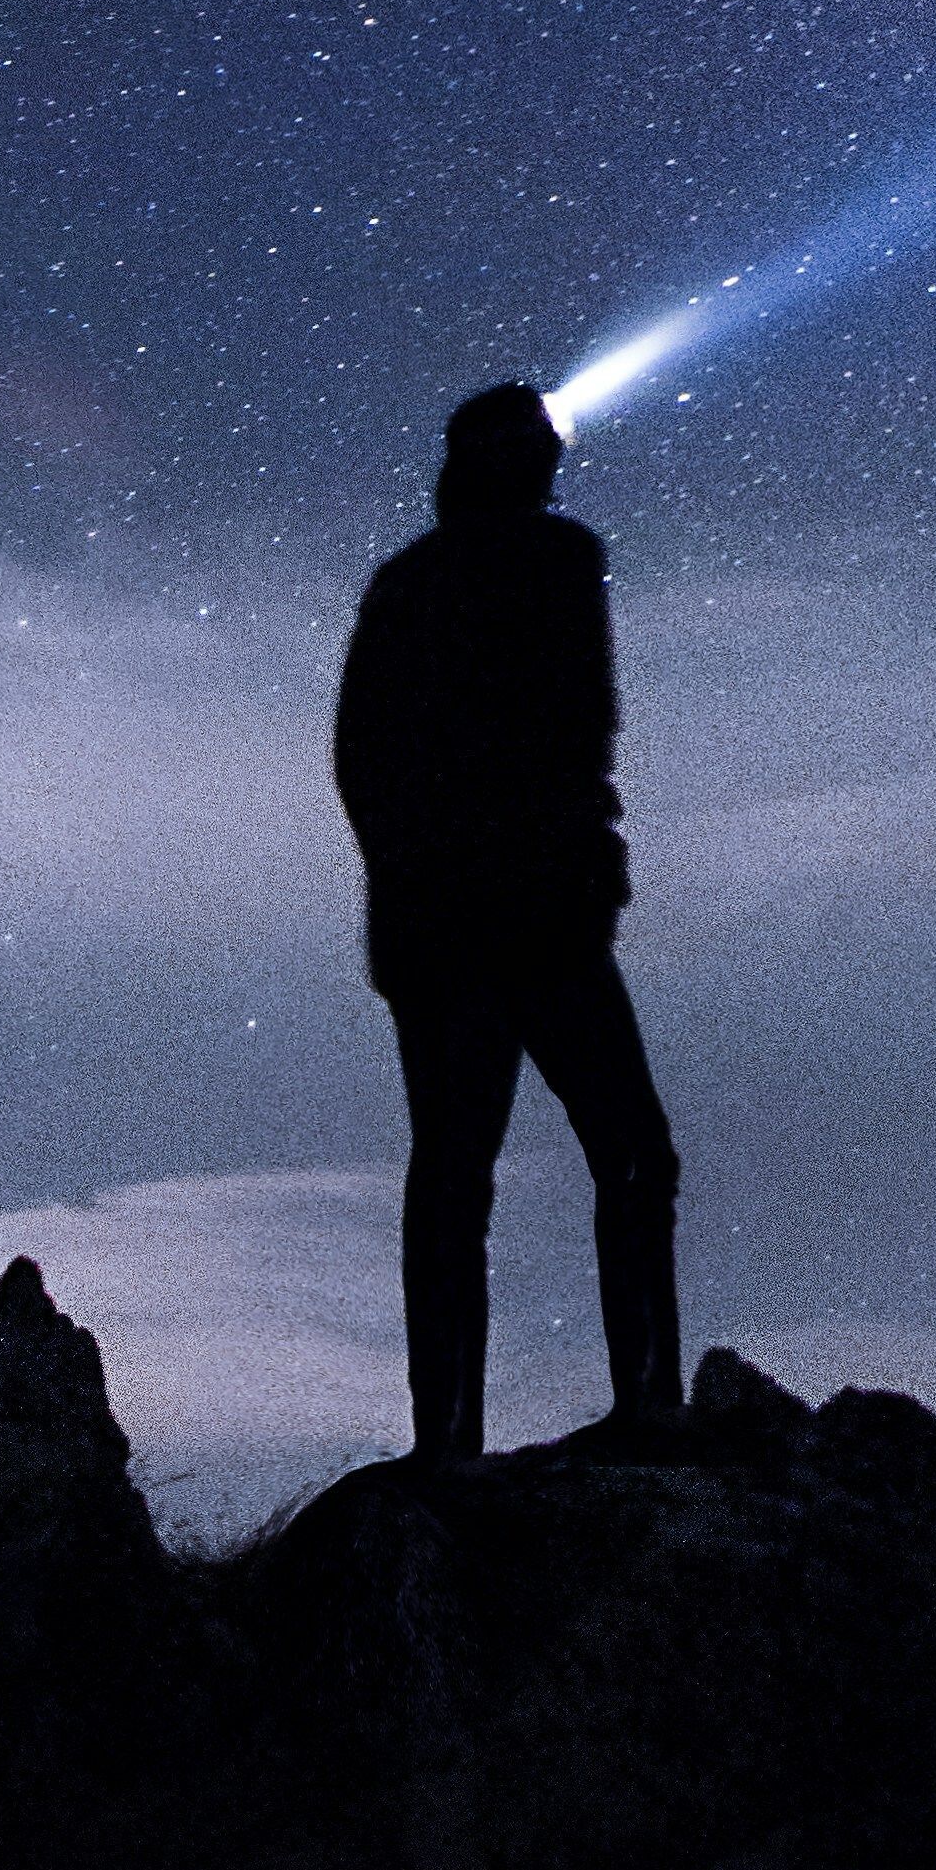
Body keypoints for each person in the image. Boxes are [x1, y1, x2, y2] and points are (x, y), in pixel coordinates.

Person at [333, 379, 682, 1463]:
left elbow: (361, 759)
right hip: (533, 915)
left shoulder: (405, 584)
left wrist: (409, 878)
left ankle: (449, 1440)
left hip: (444, 922)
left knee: (454, 1171)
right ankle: (647, 1407)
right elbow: (583, 730)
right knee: (626, 1154)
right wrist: (580, 861)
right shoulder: (560, 560)